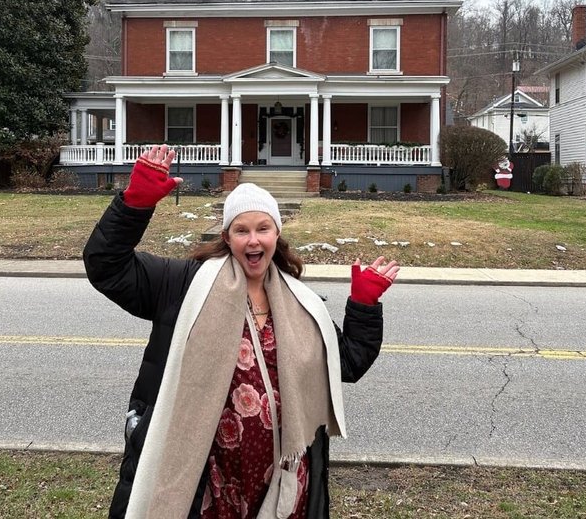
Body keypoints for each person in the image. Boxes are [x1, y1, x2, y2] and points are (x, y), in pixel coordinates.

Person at [83, 144, 399, 519]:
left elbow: (348, 362)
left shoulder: (300, 303)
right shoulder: (182, 284)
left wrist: (364, 305)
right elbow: (106, 266)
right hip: (203, 486)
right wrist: (135, 202)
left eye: (263, 228)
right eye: (242, 230)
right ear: (228, 236)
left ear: (276, 235)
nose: (253, 240)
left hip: (282, 489)